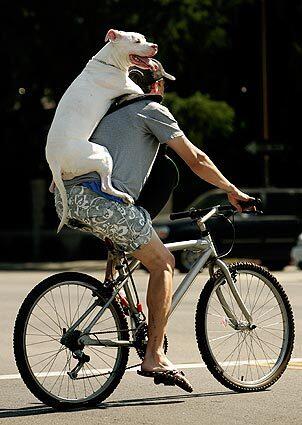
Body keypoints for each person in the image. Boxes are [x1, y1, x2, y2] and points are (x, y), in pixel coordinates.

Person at [54, 58, 254, 392]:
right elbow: (196, 159)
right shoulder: (151, 109)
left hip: (68, 199)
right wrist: (232, 190)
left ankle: (114, 281)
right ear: (156, 85)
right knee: (164, 264)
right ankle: (155, 356)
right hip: (100, 202)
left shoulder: (105, 114)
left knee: (140, 222)